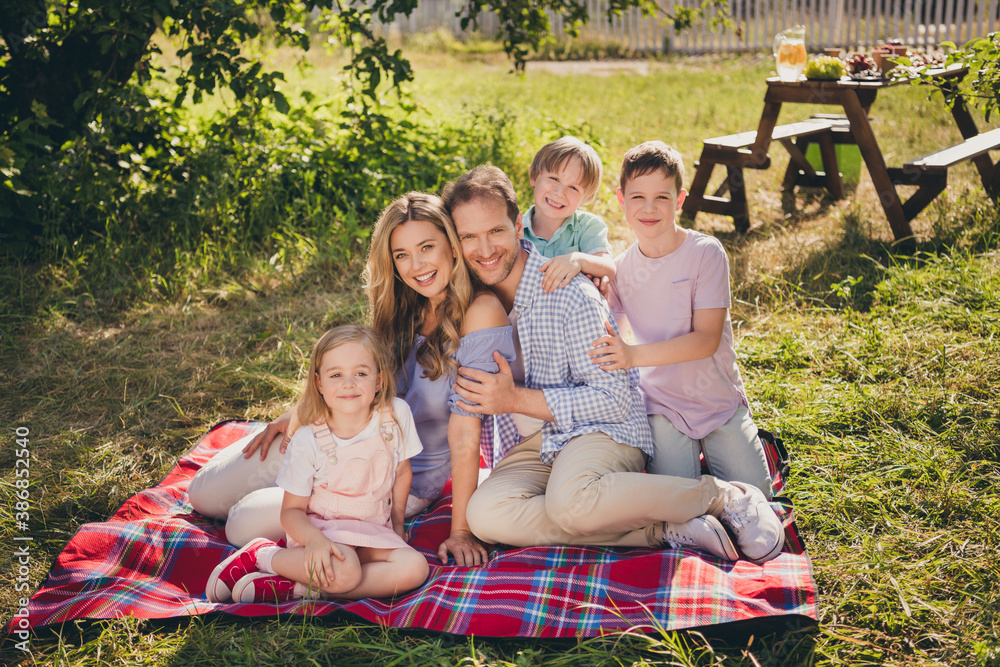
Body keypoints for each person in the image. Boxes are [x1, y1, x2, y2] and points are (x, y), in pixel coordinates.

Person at [442, 165, 785, 564]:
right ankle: (662, 528)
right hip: (543, 441)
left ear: (519, 225)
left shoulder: (570, 293)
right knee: (485, 515)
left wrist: (515, 399)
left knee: (569, 503)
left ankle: (723, 496)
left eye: (495, 231)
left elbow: (615, 400)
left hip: (605, 430)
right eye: (469, 236)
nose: (484, 249)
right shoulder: (473, 305)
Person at [187, 193, 514, 567]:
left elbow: (466, 431)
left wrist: (460, 532)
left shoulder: (481, 311)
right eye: (402, 255)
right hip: (333, 437)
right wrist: (300, 414)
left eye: (427, 247)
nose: (416, 265)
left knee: (240, 524)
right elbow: (362, 374)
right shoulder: (406, 305)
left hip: (383, 477)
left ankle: (272, 556)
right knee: (203, 495)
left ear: (453, 248)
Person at [588, 141, 772, 497]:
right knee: (680, 500)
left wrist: (632, 355)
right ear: (620, 199)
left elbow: (706, 340)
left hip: (716, 399)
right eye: (638, 197)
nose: (649, 208)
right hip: (662, 405)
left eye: (662, 197)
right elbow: (608, 333)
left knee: (758, 499)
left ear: (681, 199)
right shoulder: (622, 270)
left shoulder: (705, 253)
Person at [205, 325, 429, 603]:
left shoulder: (395, 415)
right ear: (319, 384)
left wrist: (396, 525)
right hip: (324, 530)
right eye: (336, 375)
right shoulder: (308, 439)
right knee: (346, 569)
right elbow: (291, 512)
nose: (349, 384)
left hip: (373, 528)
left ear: (380, 380)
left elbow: (402, 472)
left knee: (415, 568)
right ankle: (264, 556)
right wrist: (315, 541)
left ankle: (299, 588)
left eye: (361, 373)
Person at [522, 136, 616, 292]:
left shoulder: (587, 226)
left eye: (573, 188)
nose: (559, 193)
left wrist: (578, 260)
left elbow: (608, 268)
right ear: (534, 176)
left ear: (586, 198)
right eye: (554, 178)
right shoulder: (514, 228)